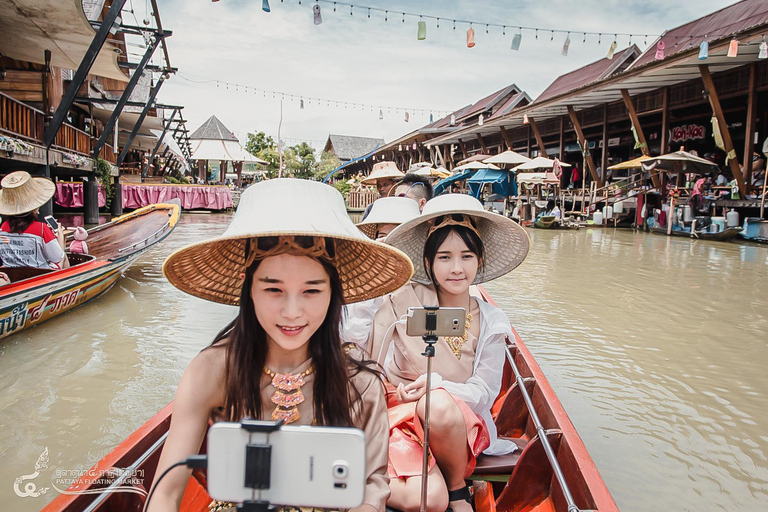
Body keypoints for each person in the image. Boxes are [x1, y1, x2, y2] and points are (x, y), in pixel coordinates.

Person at [149, 179, 414, 512]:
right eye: (273, 289)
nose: (292, 312)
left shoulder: (360, 380)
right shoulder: (212, 370)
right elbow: (166, 493)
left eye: (312, 291)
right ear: (249, 288)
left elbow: (369, 493)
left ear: (333, 292)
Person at [344, 194, 530, 512]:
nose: (456, 269)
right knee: (427, 501)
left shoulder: (492, 319)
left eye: (466, 256)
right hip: (403, 418)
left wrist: (436, 385)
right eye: (444, 257)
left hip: (460, 424)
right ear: (428, 263)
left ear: (479, 260)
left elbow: (485, 395)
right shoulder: (405, 300)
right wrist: (376, 278)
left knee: (438, 404)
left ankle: (457, 488)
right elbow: (358, 346)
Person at [0, 171, 69, 269]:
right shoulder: (41, 228)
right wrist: (60, 236)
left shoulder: (3, 227)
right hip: (40, 276)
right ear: (35, 208)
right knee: (64, 256)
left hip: (12, 274)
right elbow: (57, 257)